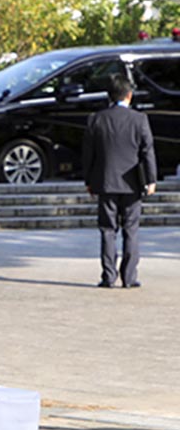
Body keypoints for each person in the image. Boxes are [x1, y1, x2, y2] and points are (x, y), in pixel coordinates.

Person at [82, 74, 157, 289]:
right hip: (133, 184)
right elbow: (147, 152)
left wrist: (88, 180)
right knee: (131, 229)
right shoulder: (139, 119)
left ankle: (108, 276)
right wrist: (151, 180)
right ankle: (129, 277)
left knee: (107, 230)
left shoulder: (96, 119)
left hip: (105, 182)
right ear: (129, 95)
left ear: (109, 96)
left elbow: (88, 154)